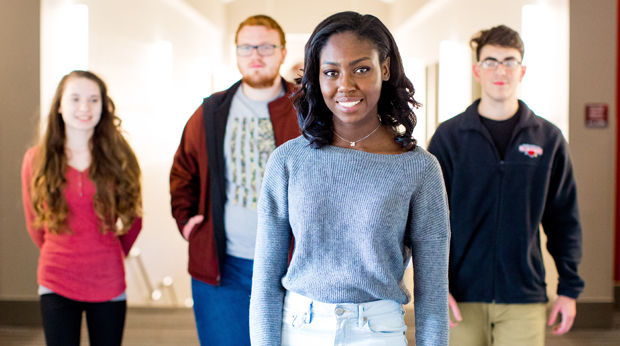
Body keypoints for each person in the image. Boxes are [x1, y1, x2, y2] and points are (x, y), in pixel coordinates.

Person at [250, 11, 450, 346]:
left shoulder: (420, 168)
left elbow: (432, 296)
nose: (346, 85)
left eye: (361, 68)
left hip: (379, 332)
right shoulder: (287, 161)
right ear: (317, 76)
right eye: (331, 72)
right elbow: (266, 281)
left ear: (384, 69)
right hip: (298, 328)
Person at [427, 25, 584, 346]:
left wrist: (569, 289)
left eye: (510, 61)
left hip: (522, 296)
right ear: (477, 70)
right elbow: (429, 219)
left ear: (522, 70)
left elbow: (563, 218)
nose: (501, 70)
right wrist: (435, 285)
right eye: (491, 61)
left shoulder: (548, 139)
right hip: (460, 295)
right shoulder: (449, 137)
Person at [169, 14, 299, 346]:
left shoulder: (306, 110)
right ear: (237, 53)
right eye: (246, 47)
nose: (256, 54)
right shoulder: (211, 111)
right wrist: (187, 223)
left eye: (266, 46)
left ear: (282, 52)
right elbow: (183, 171)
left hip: (292, 264)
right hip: (224, 267)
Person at [21, 70, 142, 346]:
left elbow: (135, 218)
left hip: (109, 280)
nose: (84, 107)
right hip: (56, 279)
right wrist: (64, 252)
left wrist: (106, 251)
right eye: (75, 98)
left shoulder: (120, 157)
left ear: (104, 106)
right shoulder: (35, 159)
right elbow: (34, 222)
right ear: (60, 106)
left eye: (93, 99)